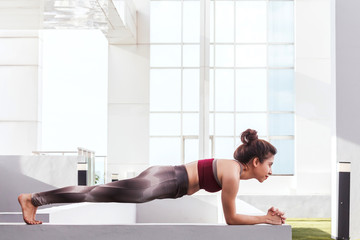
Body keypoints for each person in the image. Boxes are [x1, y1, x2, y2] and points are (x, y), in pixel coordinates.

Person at [18, 129, 286, 225]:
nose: (271, 171)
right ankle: (34, 198)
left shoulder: (233, 171)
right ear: (255, 161)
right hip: (164, 180)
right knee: (95, 193)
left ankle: (36, 199)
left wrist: (265, 217)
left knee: (99, 192)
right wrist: (265, 218)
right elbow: (231, 219)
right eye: (270, 165)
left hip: (164, 180)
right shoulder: (232, 173)